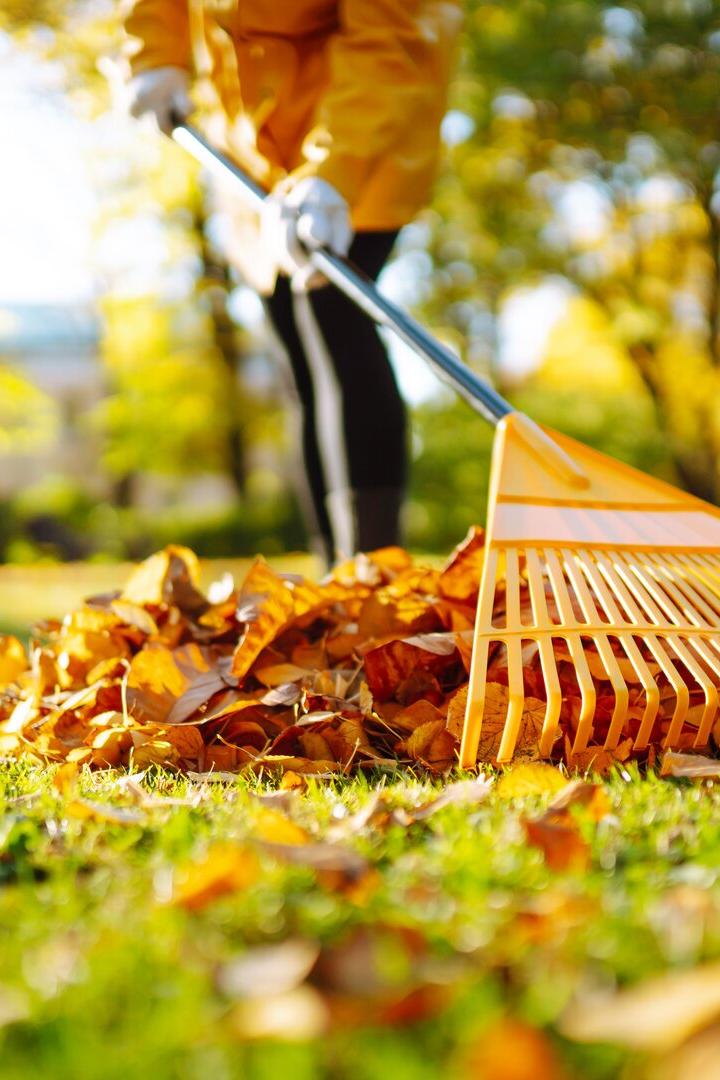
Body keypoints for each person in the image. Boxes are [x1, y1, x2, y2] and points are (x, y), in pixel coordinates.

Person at [124, 0, 462, 566]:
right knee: (294, 348)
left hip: (363, 122)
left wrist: (333, 172)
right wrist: (155, 54)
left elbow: (391, 41)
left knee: (333, 317)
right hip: (251, 143)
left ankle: (373, 573)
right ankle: (334, 573)